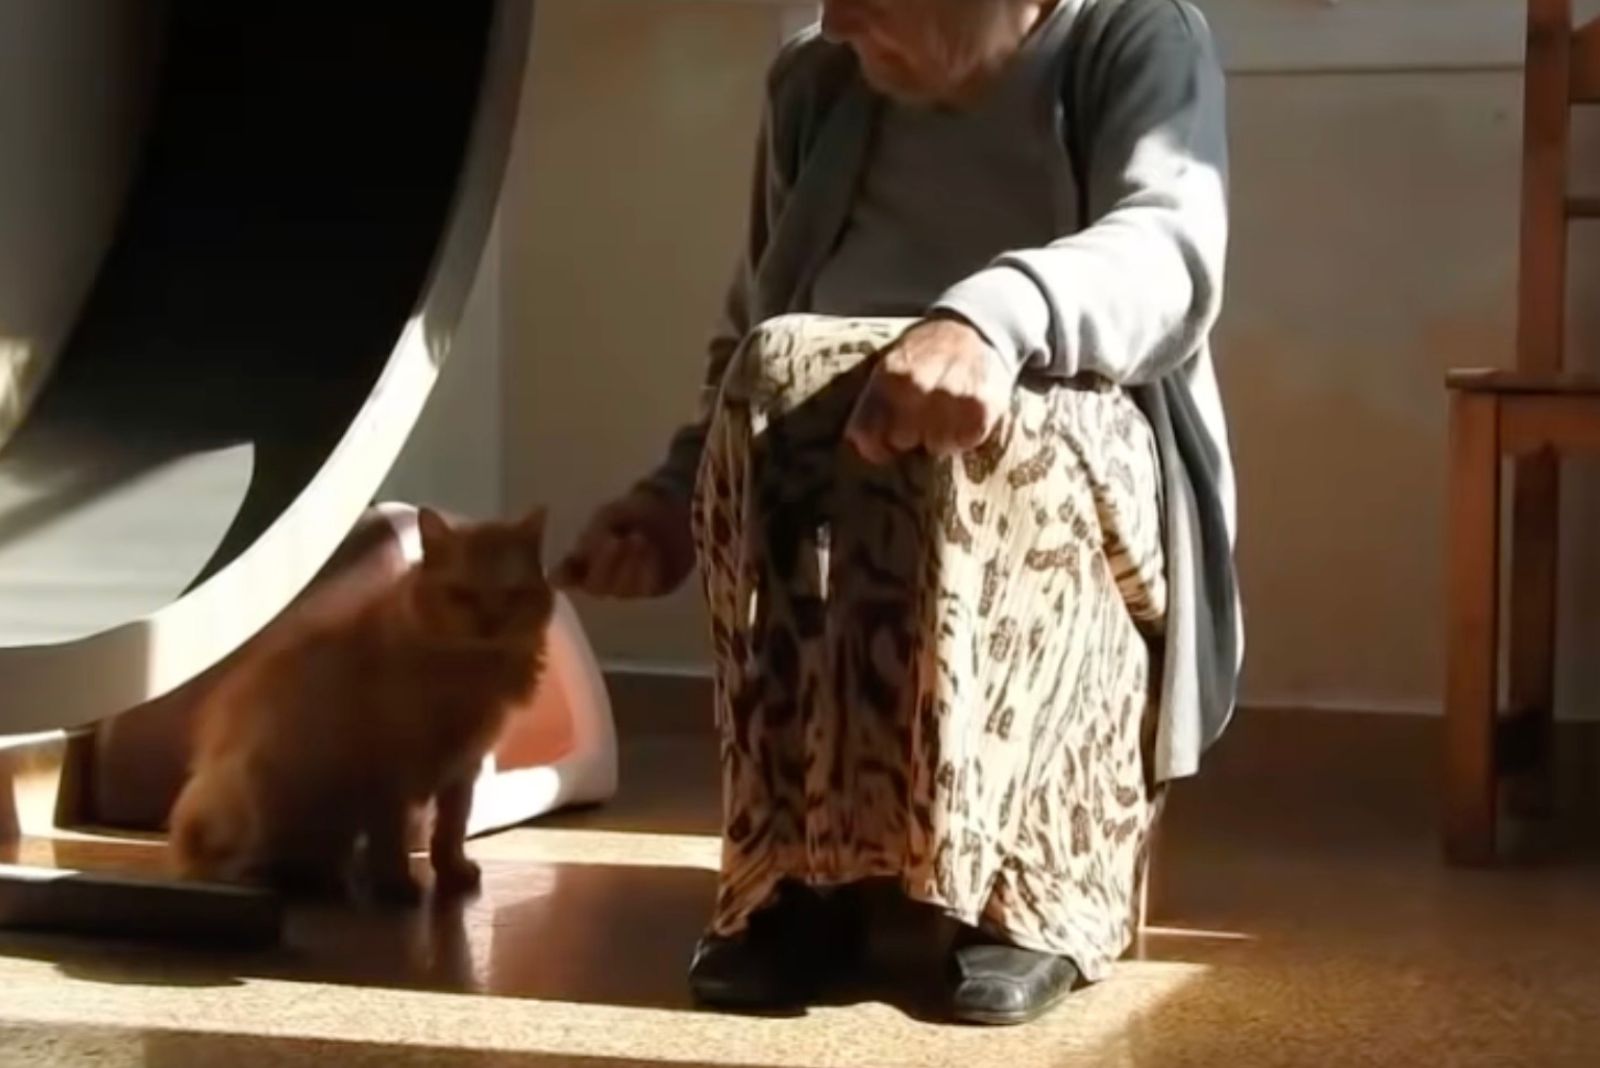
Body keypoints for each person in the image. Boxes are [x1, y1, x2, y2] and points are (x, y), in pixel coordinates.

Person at [555, 0, 1240, 1026]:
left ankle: (1028, 897)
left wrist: (990, 322)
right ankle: (799, 872)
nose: (833, 17)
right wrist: (672, 496)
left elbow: (1171, 251)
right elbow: (754, 316)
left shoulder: (1134, 36)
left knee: (984, 436)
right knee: (784, 365)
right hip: (841, 458)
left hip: (1068, 443)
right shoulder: (815, 84)